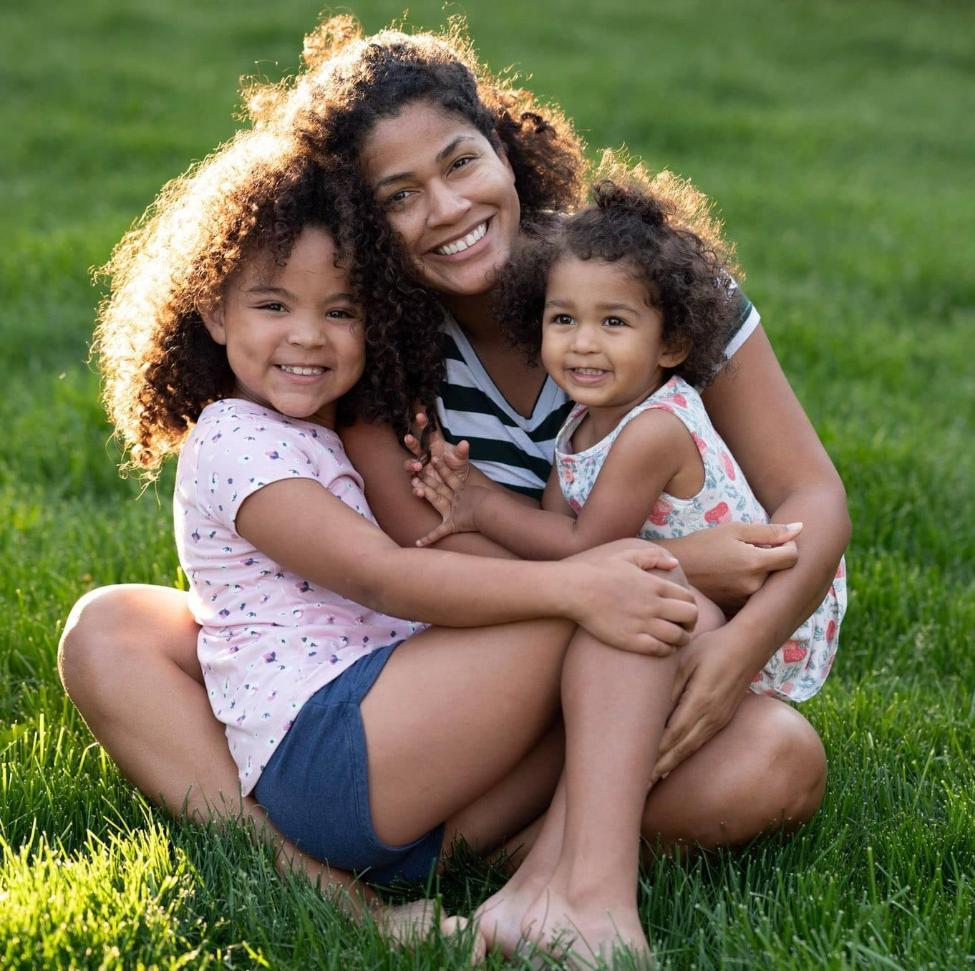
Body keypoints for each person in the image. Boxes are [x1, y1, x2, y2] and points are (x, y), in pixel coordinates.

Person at [59, 10, 847, 954]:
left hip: (622, 656)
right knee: (111, 627)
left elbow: (814, 498)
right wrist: (680, 567)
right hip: (481, 664)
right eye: (397, 196)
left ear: (504, 145)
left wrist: (735, 650)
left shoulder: (649, 282)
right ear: (361, 223)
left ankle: (530, 861)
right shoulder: (369, 345)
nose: (443, 208)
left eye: (460, 162)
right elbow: (431, 556)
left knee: (778, 758)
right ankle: (351, 875)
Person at [83, 122, 700, 965]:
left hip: (403, 784)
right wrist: (580, 586)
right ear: (212, 309)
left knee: (626, 626)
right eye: (273, 306)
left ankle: (546, 880)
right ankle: (583, 900)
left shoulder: (340, 430)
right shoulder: (236, 438)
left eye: (340, 311)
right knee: (612, 605)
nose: (308, 336)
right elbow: (386, 578)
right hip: (327, 751)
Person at [407, 164, 846, 704]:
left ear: (670, 347)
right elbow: (555, 529)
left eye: (613, 323)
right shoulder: (583, 420)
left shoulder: (653, 431)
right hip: (664, 598)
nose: (584, 343)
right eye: (563, 320)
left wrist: (478, 506)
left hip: (749, 626)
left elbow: (582, 546)